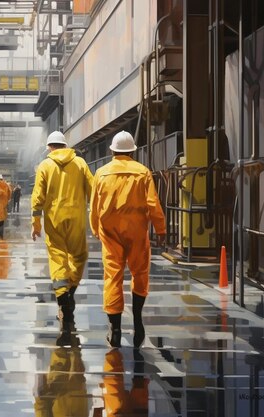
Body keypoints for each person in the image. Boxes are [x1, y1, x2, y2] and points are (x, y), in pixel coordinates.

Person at [89, 131, 166, 348]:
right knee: (139, 273)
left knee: (112, 276)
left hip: (110, 232)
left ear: (112, 150)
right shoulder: (143, 172)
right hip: (137, 231)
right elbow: (153, 203)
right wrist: (160, 229)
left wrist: (96, 228)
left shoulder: (101, 173)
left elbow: (94, 206)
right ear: (132, 151)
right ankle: (138, 321)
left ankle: (115, 329)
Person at [31, 131, 93, 342]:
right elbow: (93, 190)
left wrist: (35, 223)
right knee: (79, 256)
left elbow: (38, 197)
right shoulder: (81, 164)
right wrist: (96, 216)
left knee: (58, 259)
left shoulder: (44, 166)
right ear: (65, 146)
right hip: (77, 218)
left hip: (53, 219)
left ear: (50, 147)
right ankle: (71, 289)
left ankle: (63, 302)